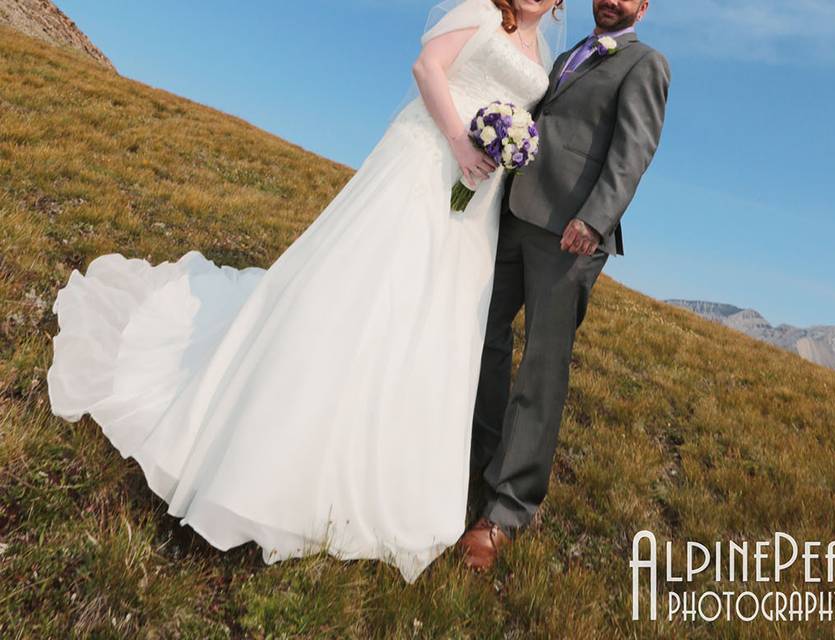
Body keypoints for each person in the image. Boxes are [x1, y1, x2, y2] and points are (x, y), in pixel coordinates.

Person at [46, 0, 564, 584]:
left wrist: (498, 152)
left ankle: (391, 469)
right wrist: (459, 141)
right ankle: (277, 456)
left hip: (477, 199)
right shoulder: (479, 10)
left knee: (435, 317)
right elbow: (427, 68)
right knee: (370, 290)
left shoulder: (543, 52)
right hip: (430, 162)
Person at [459, 0, 671, 571]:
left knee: (541, 370)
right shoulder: (571, 54)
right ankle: (476, 466)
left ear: (643, 8)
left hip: (572, 234)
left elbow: (633, 153)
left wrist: (595, 218)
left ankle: (506, 510)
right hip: (515, 213)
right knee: (484, 337)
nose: (611, 0)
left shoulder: (645, 63)